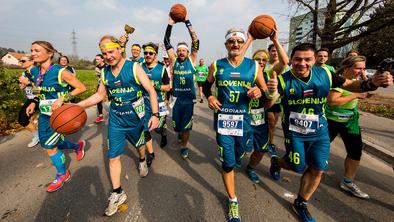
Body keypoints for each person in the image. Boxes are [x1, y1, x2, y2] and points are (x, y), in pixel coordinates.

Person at [276, 43, 392, 222]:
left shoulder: (326, 74)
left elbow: (351, 85)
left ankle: (301, 202)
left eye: (308, 59)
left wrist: (371, 83)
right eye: (298, 59)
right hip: (295, 132)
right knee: (296, 166)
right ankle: (277, 162)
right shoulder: (283, 80)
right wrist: (266, 93)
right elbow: (268, 102)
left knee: (317, 169)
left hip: (320, 131)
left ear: (315, 60)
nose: (303, 63)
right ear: (291, 60)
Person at [77, 35, 159, 216]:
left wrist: (154, 114)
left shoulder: (134, 67)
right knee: (113, 156)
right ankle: (117, 192)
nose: (108, 56)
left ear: (120, 49)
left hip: (135, 118)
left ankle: (142, 160)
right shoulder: (105, 72)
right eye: (104, 53)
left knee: (139, 146)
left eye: (111, 51)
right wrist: (77, 105)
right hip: (115, 119)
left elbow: (151, 90)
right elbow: (99, 96)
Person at [202, 28, 279, 222]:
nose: (235, 44)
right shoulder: (216, 65)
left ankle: (237, 157)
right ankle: (233, 200)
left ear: (242, 44)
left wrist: (259, 91)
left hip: (245, 121)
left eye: (239, 41)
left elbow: (263, 89)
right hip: (224, 121)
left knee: (242, 153)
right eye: (231, 41)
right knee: (228, 164)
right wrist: (210, 96)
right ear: (226, 44)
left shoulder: (253, 66)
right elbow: (205, 85)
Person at [24, 41, 87, 193]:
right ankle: (77, 146)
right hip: (44, 115)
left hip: (59, 116)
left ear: (50, 53)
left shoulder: (60, 71)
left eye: (37, 50)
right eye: (32, 50)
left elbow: (81, 87)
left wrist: (62, 99)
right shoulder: (35, 71)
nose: (33, 53)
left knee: (49, 147)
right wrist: (34, 102)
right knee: (53, 142)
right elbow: (38, 89)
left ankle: (62, 174)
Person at [245, 29, 289, 184]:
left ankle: (250, 168)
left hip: (260, 119)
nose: (261, 62)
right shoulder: (245, 73)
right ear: (252, 60)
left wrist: (275, 40)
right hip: (244, 118)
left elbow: (284, 62)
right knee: (242, 150)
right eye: (258, 59)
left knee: (260, 150)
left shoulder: (269, 74)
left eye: (264, 59)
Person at [326, 56, 371, 199]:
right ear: (347, 68)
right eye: (358, 68)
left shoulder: (357, 82)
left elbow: (365, 92)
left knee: (355, 152)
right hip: (331, 121)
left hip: (350, 122)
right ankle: (310, 169)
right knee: (317, 148)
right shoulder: (339, 80)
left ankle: (348, 182)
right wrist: (356, 95)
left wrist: (364, 88)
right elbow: (332, 101)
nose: (361, 71)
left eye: (363, 68)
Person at [163, 12, 199, 159]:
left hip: (188, 100)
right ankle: (180, 134)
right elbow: (166, 41)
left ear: (188, 51)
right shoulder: (174, 59)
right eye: (179, 51)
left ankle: (184, 146)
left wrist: (187, 22)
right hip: (176, 99)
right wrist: (170, 24)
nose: (181, 52)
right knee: (177, 126)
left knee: (186, 127)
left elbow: (196, 41)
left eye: (183, 50)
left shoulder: (192, 59)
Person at [140, 42, 171, 166]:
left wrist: (156, 85)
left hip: (158, 104)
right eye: (146, 53)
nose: (147, 55)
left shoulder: (162, 68)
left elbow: (168, 87)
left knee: (157, 128)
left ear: (155, 55)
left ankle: (163, 132)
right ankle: (151, 154)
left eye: (150, 53)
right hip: (143, 104)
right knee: (145, 130)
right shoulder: (139, 66)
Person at [264, 44, 290, 162]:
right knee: (270, 121)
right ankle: (270, 143)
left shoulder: (285, 67)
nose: (275, 53)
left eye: (277, 51)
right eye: (273, 51)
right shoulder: (264, 66)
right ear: (269, 52)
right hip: (267, 99)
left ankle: (269, 139)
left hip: (280, 100)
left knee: (274, 123)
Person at [18, 54, 39, 148]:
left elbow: (39, 89)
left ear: (32, 61)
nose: (21, 62)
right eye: (20, 61)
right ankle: (37, 135)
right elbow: (23, 87)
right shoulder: (24, 73)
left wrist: (29, 83)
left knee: (23, 119)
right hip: (30, 99)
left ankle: (39, 136)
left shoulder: (37, 72)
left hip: (39, 98)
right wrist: (22, 86)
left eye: (23, 61)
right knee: (22, 120)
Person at [94, 54, 106, 123]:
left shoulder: (107, 66)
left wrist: (100, 72)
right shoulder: (97, 67)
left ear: (102, 59)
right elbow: (99, 77)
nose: (96, 60)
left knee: (113, 99)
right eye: (96, 59)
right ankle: (100, 116)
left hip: (108, 85)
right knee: (98, 100)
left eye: (98, 59)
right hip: (100, 85)